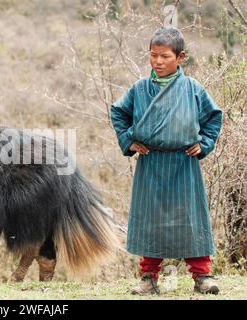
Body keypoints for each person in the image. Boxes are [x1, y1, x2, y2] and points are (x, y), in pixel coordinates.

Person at [110, 27, 223, 295]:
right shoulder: (139, 89)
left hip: (184, 163)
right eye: (153, 55)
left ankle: (202, 277)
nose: (157, 61)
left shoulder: (193, 89)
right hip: (151, 162)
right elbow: (118, 113)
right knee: (151, 220)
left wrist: (204, 143)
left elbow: (214, 117)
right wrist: (128, 140)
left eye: (164, 56)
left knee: (190, 219)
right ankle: (148, 278)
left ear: (180, 57)